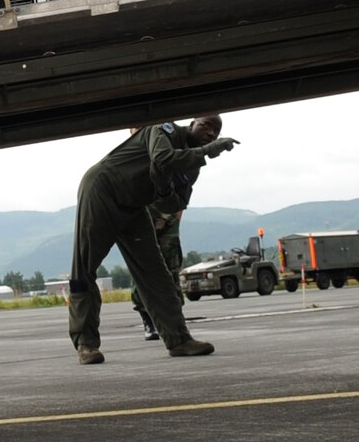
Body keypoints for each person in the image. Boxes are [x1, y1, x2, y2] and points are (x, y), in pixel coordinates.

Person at [67, 116, 235, 363]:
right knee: (83, 268)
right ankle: (86, 344)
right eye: (207, 125)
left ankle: (179, 340)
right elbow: (163, 159)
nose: (211, 132)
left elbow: (177, 203)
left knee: (156, 271)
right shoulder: (161, 128)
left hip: (135, 206)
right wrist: (206, 152)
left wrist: (165, 187)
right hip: (103, 189)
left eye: (216, 130)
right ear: (191, 124)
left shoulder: (192, 166)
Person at [130, 192, 192, 341]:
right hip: (142, 214)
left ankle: (177, 323)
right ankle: (148, 321)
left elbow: (184, 182)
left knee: (172, 269)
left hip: (168, 213)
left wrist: (178, 212)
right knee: (142, 269)